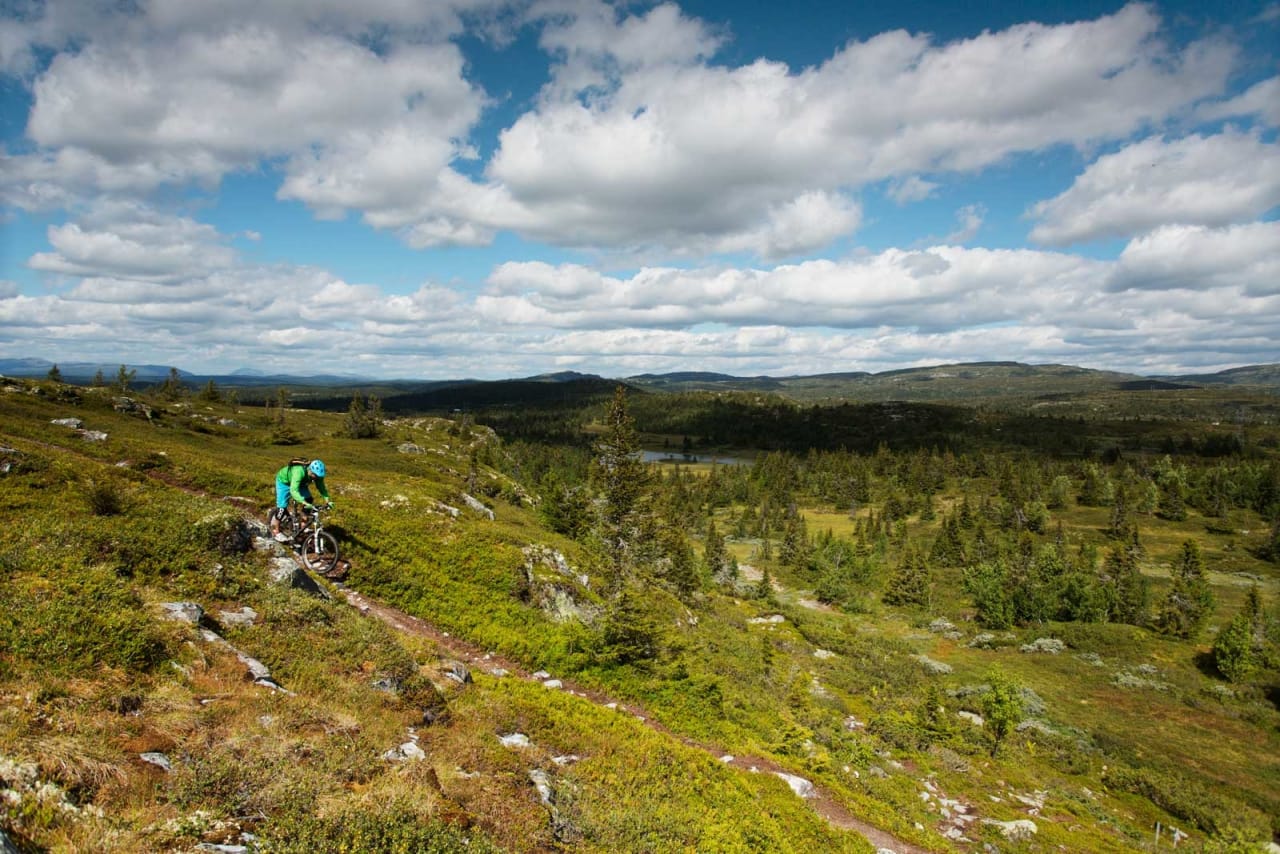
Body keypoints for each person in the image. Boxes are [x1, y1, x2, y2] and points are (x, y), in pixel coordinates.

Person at [271, 458, 332, 542]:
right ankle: (276, 532)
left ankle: (303, 526)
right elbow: (293, 491)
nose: (316, 478)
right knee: (282, 508)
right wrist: (303, 501)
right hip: (284, 482)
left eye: (318, 476)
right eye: (315, 475)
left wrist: (327, 500)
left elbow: (322, 488)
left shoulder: (318, 476)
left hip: (301, 484)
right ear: (310, 470)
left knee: (309, 499)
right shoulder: (299, 472)